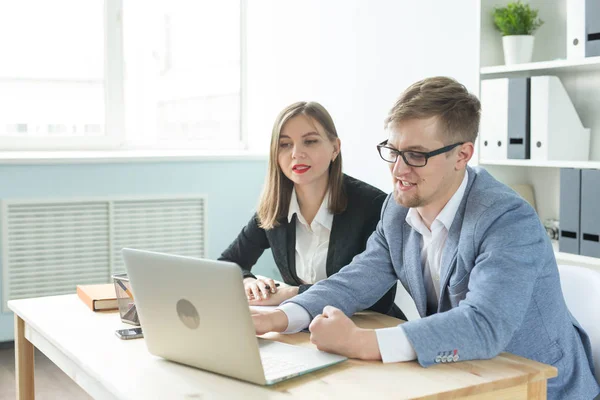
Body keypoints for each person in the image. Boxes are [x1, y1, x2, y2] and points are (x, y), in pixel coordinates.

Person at [251, 77, 600, 399]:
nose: (399, 171)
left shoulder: (507, 219)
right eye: (393, 150)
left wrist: (363, 342)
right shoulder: (398, 209)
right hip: (462, 376)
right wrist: (283, 316)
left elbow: (484, 326)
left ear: (462, 155)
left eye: (416, 156)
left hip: (536, 387)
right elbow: (357, 280)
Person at [219, 101, 404, 319]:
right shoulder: (275, 206)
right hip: (303, 325)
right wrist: (248, 281)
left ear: (335, 148)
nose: (297, 154)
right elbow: (228, 264)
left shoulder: (373, 205)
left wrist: (292, 293)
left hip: (365, 326)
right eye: (285, 145)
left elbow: (378, 298)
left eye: (310, 141)